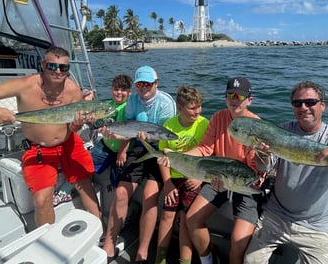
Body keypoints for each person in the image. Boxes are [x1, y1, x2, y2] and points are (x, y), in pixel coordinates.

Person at [244, 81, 328, 264]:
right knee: (251, 261)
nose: (304, 107)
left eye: (310, 102)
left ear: (322, 105)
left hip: (318, 225)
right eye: (297, 103)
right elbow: (264, 167)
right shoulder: (280, 131)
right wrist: (263, 155)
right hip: (276, 215)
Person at [0, 47, 102, 227]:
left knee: (86, 184)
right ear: (43, 65)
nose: (57, 71)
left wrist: (79, 123)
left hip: (69, 143)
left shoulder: (73, 90)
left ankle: (99, 229)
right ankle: (46, 243)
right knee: (41, 200)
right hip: (38, 149)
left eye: (63, 68)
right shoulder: (25, 85)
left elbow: (73, 127)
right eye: (52, 66)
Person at [159, 77, 261, 264]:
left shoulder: (256, 125)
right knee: (191, 219)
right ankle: (207, 260)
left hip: (244, 184)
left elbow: (255, 170)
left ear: (249, 100)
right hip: (217, 178)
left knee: (238, 241)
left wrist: (230, 184)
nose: (234, 99)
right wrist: (176, 157)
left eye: (239, 95)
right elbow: (205, 149)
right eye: (230, 95)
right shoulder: (218, 117)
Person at [102, 65, 176, 263]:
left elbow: (167, 138)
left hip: (160, 150)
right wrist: (122, 150)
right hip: (139, 145)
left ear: (156, 84)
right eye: (140, 84)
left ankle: (142, 252)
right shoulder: (133, 101)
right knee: (120, 192)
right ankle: (109, 242)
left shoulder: (166, 103)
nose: (144, 87)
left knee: (149, 198)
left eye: (148, 84)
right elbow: (128, 129)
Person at [155, 86, 209, 264]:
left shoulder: (205, 124)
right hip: (174, 176)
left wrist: (199, 177)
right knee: (167, 215)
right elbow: (163, 157)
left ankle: (184, 261)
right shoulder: (169, 125)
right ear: (179, 108)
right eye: (192, 108)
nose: (197, 111)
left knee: (186, 219)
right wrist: (168, 183)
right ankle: (160, 258)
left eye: (199, 106)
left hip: (194, 177)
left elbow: (210, 154)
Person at [89, 74, 133, 187]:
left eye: (123, 90)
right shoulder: (108, 105)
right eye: (116, 89)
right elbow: (97, 122)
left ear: (130, 92)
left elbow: (129, 133)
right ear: (111, 90)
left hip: (123, 149)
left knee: (117, 177)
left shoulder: (129, 108)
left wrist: (122, 152)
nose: (119, 92)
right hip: (105, 145)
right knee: (86, 164)